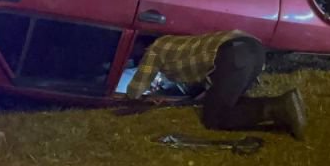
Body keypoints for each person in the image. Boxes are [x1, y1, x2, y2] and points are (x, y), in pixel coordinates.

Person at [122, 31, 307, 139]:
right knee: (229, 103)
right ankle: (285, 107)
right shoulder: (176, 44)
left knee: (214, 118)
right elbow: (206, 79)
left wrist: (128, 101)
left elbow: (137, 87)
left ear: (141, 46)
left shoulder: (155, 48)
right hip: (253, 49)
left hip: (234, 54)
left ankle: (278, 107)